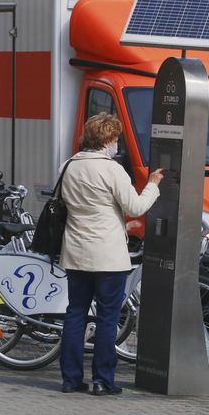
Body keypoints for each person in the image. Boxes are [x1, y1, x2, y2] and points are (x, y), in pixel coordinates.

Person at [59, 112, 163, 396]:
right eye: (116, 138)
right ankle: (103, 380)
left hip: (75, 252)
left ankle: (70, 379)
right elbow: (136, 207)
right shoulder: (112, 169)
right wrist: (153, 184)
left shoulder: (68, 166)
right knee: (107, 317)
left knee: (75, 314)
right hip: (107, 254)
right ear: (108, 139)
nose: (117, 143)